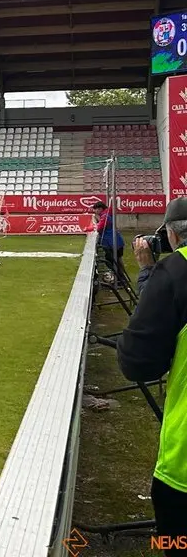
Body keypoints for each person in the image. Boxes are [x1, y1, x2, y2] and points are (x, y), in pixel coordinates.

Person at [117, 197, 187, 552]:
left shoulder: (173, 273)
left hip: (183, 464)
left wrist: (148, 271)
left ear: (172, 235)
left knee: (175, 542)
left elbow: (138, 360)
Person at [92, 201, 125, 270]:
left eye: (95, 209)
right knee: (118, 259)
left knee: (110, 260)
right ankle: (122, 276)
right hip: (117, 241)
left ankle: (119, 277)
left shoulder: (104, 217)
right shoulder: (107, 214)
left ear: (100, 209)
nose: (94, 211)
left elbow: (99, 228)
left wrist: (95, 221)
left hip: (112, 242)